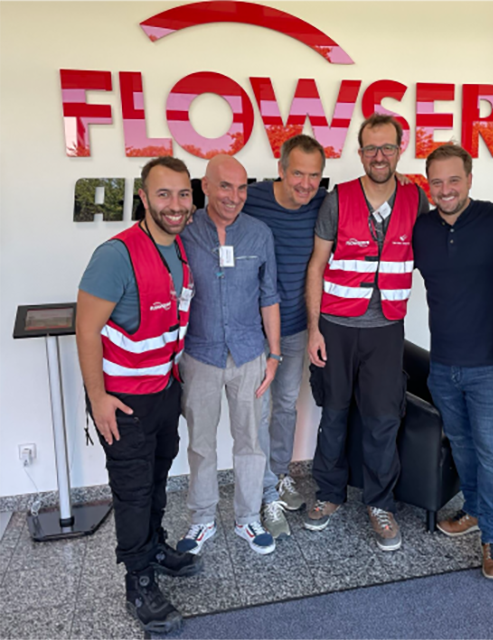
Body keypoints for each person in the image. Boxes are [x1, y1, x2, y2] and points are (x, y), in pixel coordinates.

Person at [76, 157, 200, 634]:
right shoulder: (116, 255)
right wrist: (98, 398)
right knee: (131, 491)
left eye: (183, 194)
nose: (175, 205)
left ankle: (154, 545)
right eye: (163, 194)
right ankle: (139, 580)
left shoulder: (180, 250)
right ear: (144, 198)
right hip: (122, 398)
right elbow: (85, 331)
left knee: (156, 476)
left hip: (162, 389)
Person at [304, 113, 429, 551]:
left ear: (400, 149)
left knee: (382, 419)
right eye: (371, 148)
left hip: (386, 330)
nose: (379, 156)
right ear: (359, 153)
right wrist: (315, 329)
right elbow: (316, 267)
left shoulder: (417, 200)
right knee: (334, 413)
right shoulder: (337, 199)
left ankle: (380, 503)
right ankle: (327, 494)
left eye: (388, 147)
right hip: (336, 328)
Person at [413, 144, 493, 579]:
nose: (445, 189)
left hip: (490, 365)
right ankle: (473, 510)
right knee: (463, 445)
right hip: (443, 364)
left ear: (470, 179)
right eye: (436, 182)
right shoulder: (422, 229)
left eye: (454, 180)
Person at [177, 155, 282, 556]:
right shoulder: (184, 234)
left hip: (250, 354)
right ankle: (202, 519)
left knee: (251, 442)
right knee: (201, 443)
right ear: (205, 186)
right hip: (199, 354)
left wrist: (273, 356)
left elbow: (269, 297)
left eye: (241, 188)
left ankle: (247, 518)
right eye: (225, 186)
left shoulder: (259, 234)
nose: (234, 197)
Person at [243, 135, 327, 539]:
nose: (306, 185)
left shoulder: (321, 205)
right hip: (251, 332)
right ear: (281, 169)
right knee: (257, 413)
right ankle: (262, 494)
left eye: (314, 176)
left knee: (287, 407)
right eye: (298, 173)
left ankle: (279, 476)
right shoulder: (252, 198)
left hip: (294, 326)